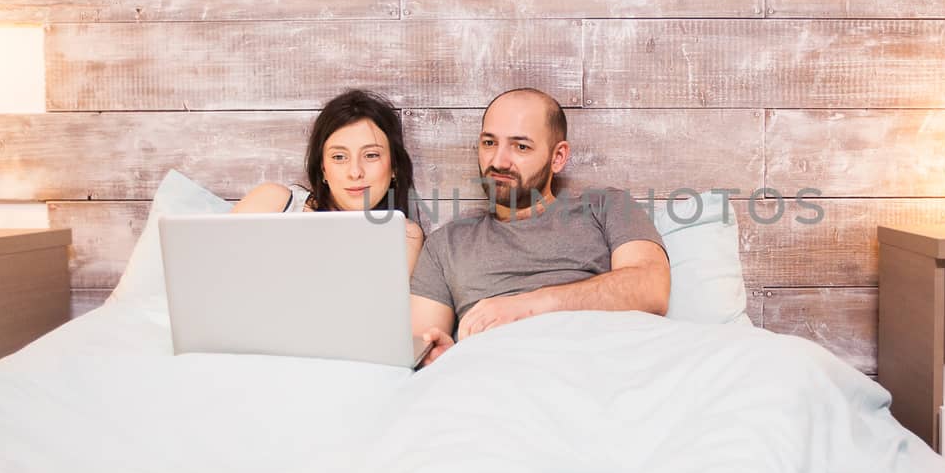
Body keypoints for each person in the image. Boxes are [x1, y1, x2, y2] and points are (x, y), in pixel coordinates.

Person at [410, 88, 670, 365]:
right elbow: (421, 342)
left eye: (521, 146)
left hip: (601, 359)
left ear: (557, 157)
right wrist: (439, 355)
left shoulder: (607, 206)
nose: (498, 161)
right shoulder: (446, 243)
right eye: (489, 143)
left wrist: (527, 307)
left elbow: (651, 287)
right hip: (496, 371)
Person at [234, 89, 424, 274]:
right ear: (323, 168)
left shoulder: (404, 236)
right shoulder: (275, 203)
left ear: (394, 168)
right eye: (339, 157)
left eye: (371, 155)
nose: (355, 172)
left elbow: (381, 303)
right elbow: (213, 270)